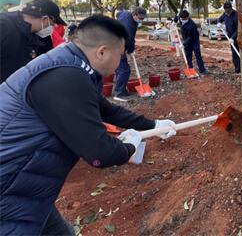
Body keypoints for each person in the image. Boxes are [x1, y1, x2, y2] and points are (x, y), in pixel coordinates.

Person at [0, 15, 176, 236]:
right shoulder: (65, 77)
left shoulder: (72, 65)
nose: (121, 62)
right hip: (8, 190)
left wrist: (152, 124)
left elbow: (106, 109)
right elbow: (100, 153)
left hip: (28, 188)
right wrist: (129, 147)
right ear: (102, 52)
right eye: (120, 56)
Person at [0, 0, 63, 83]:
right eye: (53, 23)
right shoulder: (4, 26)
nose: (54, 26)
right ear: (45, 19)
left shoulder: (39, 36)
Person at [114, 7, 147, 101]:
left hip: (116, 42)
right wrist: (130, 50)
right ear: (135, 15)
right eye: (140, 18)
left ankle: (122, 90)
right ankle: (119, 93)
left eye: (143, 18)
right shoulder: (129, 25)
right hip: (117, 45)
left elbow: (119, 13)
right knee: (124, 70)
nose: (141, 20)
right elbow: (129, 39)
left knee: (120, 68)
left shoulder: (125, 14)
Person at [178, 10, 206, 74]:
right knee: (188, 56)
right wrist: (174, 21)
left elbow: (191, 37)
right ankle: (190, 69)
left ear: (188, 17)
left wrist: (183, 43)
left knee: (198, 56)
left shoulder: (192, 25)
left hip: (194, 41)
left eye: (184, 19)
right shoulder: (181, 19)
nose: (183, 20)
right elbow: (177, 17)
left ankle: (202, 70)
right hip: (186, 41)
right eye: (182, 19)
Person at [217, 2, 240, 73]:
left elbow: (238, 29)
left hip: (239, 37)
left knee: (240, 54)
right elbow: (220, 18)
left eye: (229, 9)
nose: (227, 11)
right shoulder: (224, 14)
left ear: (231, 8)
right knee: (235, 54)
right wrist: (219, 22)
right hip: (230, 38)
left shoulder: (236, 15)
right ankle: (238, 70)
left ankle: (241, 69)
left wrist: (233, 37)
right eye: (226, 10)